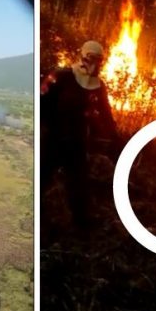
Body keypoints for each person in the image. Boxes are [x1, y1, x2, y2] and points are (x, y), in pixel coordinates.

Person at [41, 40, 121, 231]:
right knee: (42, 178)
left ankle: (82, 225)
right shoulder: (61, 76)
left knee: (79, 184)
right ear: (83, 56)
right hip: (53, 138)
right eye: (91, 57)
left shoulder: (98, 87)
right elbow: (42, 99)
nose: (94, 63)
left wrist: (116, 139)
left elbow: (105, 115)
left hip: (77, 142)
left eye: (99, 59)